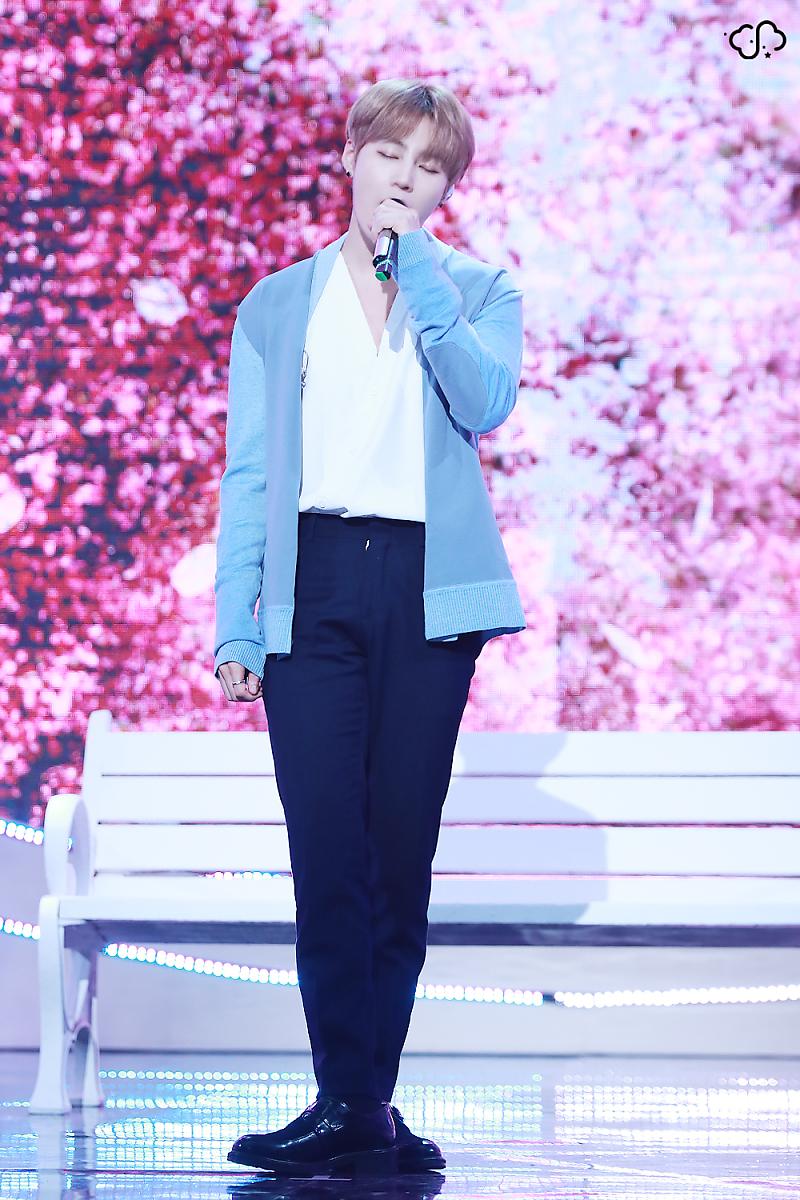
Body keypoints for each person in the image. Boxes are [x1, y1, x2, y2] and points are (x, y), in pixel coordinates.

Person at [214, 78, 526, 1178]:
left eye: (429, 167)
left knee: (398, 853)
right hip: (312, 584)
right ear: (350, 156)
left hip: (426, 589)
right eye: (390, 154)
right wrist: (238, 624)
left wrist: (421, 277)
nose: (405, 178)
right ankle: (348, 1097)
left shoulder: (477, 288)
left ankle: (365, 1103)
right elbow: (250, 472)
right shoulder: (275, 304)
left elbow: (485, 403)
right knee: (326, 851)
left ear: (446, 188)